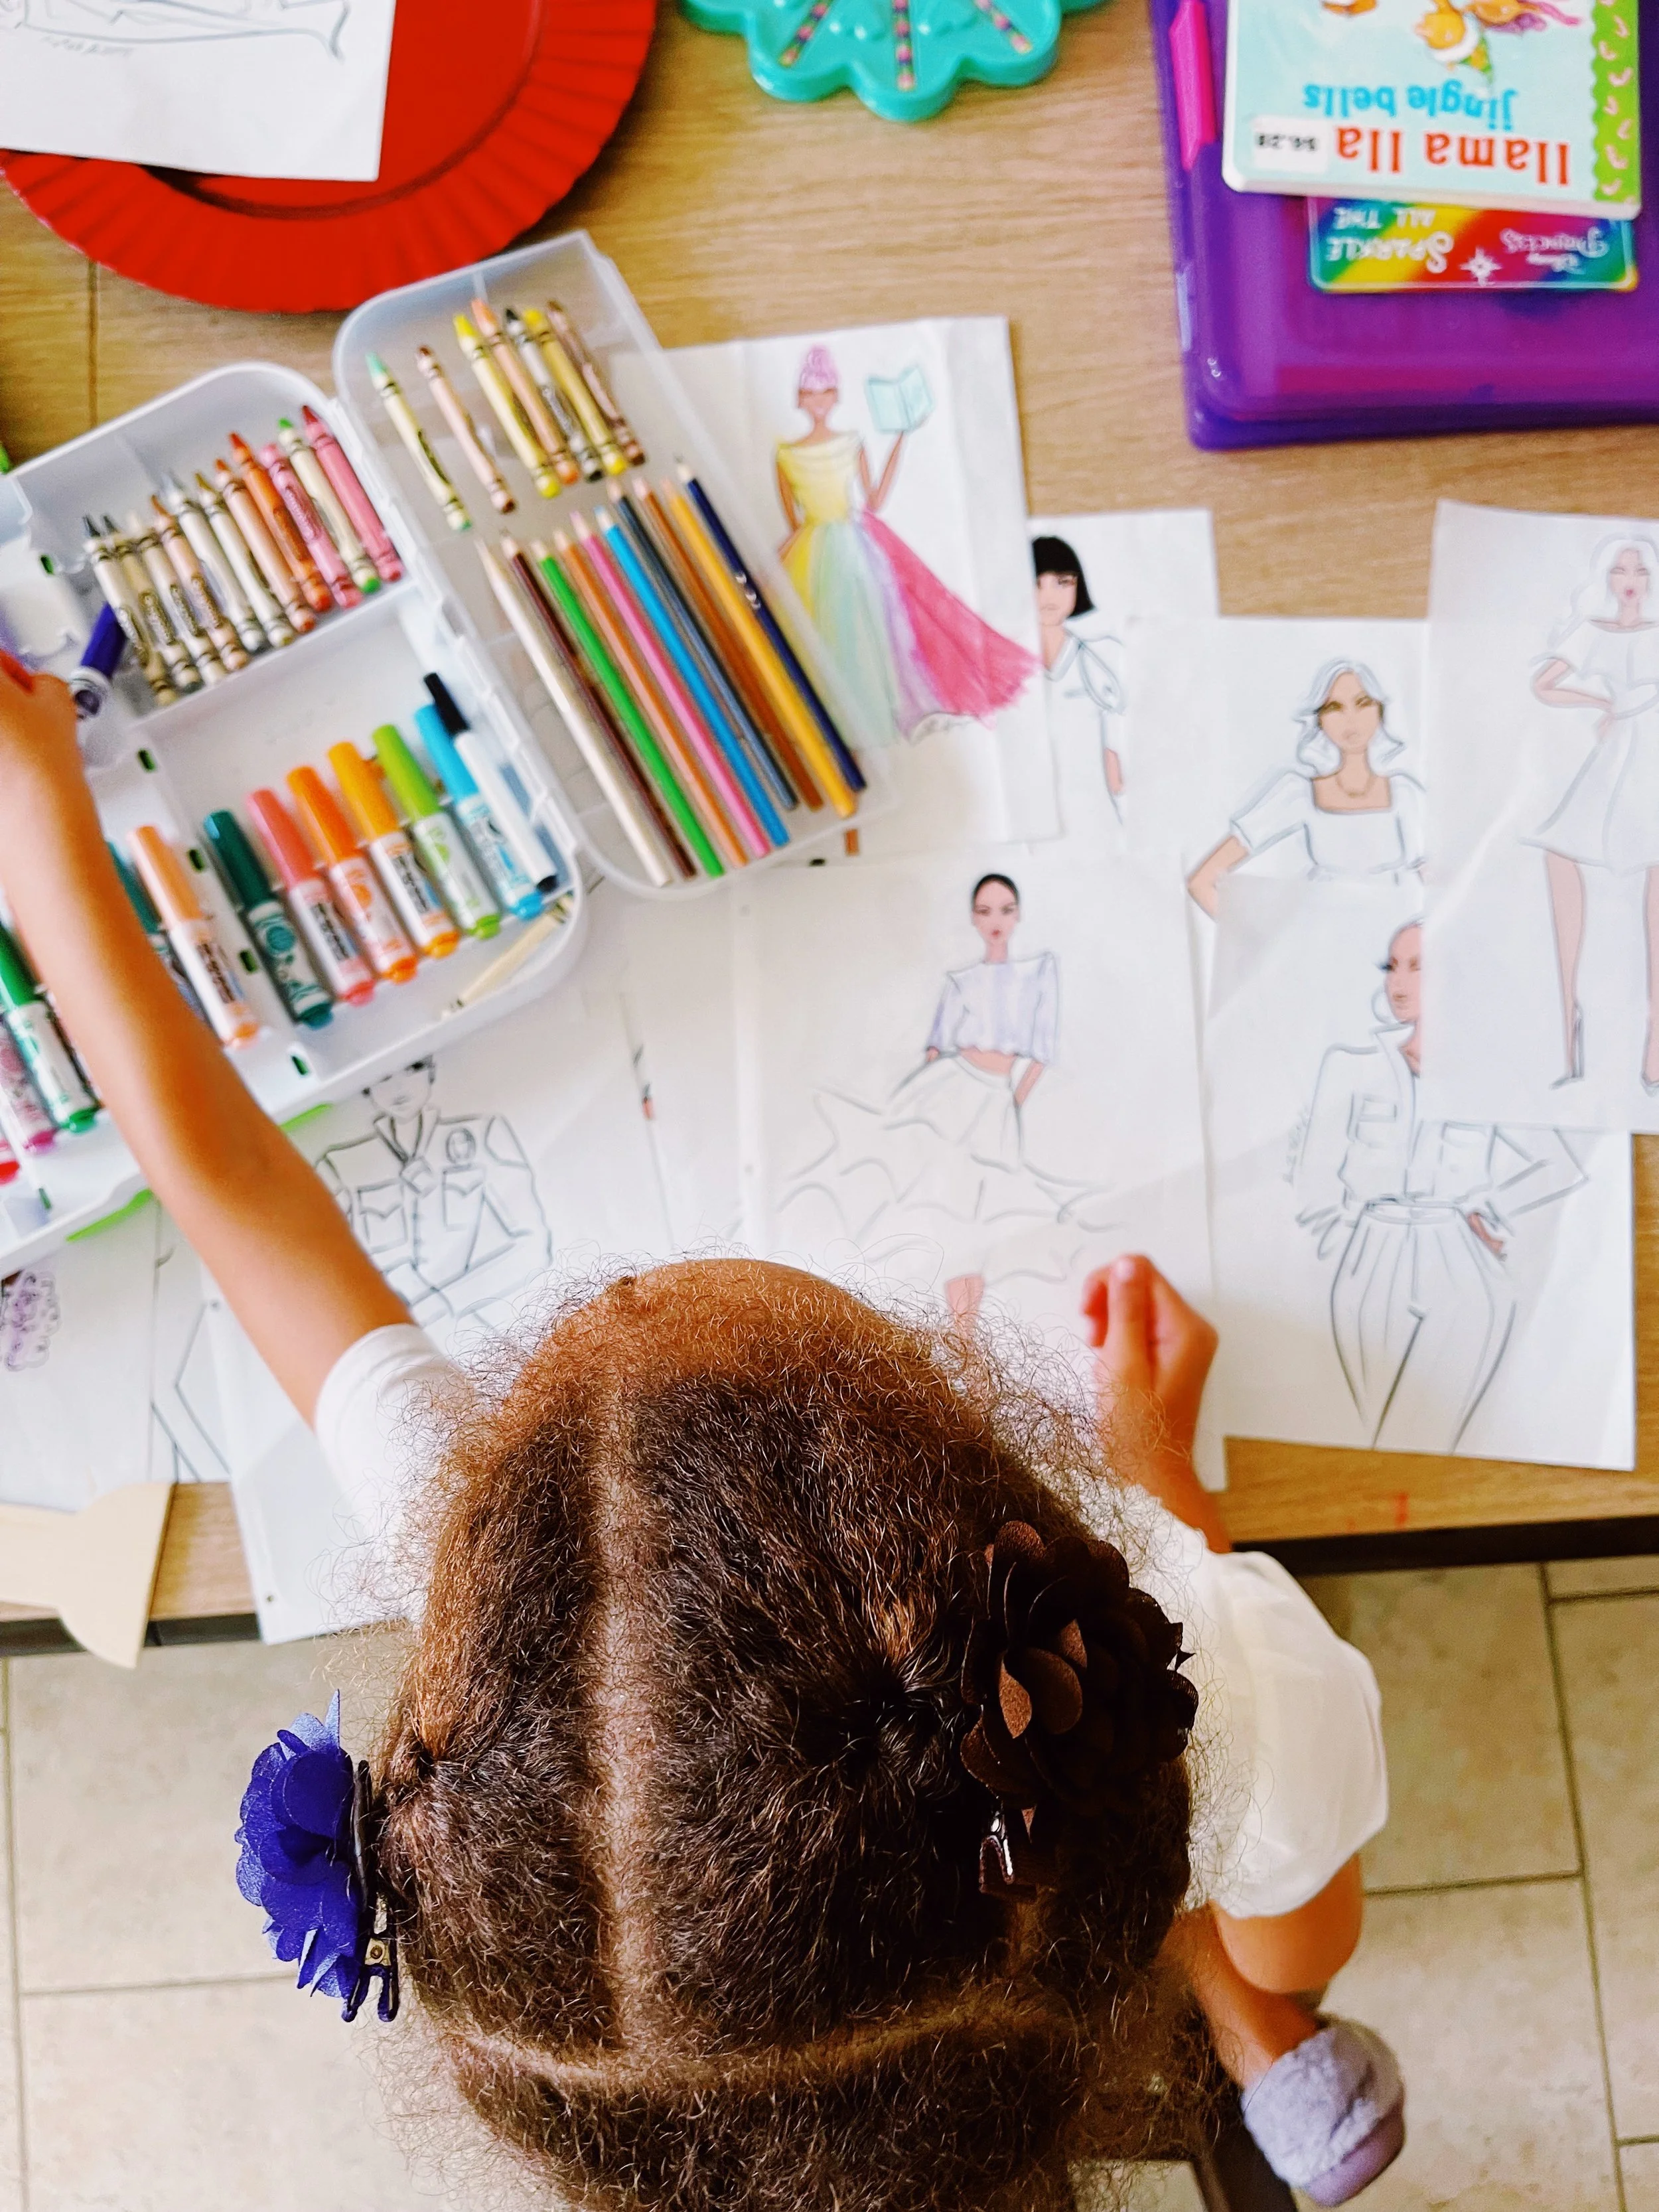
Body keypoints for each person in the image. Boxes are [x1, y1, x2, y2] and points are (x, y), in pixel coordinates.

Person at [0, 650, 1403, 2209]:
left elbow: (226, 1194)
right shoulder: (1241, 1674)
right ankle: (1229, 2012)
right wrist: (1165, 1504)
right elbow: (1304, 1929)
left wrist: (41, 832)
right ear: (1010, 1510)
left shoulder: (539, 1677)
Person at [1296, 922, 1585, 1452]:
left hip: (1455, 1253)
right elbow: (1316, 1171)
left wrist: (1489, 1213)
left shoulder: (1491, 1072)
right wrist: (1343, 1238)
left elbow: (1558, 1165)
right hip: (1371, 1250)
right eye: (1392, 966)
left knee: (1429, 1431)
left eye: (1417, 964)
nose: (1398, 981)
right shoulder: (1352, 1066)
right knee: (1369, 1431)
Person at [775, 344, 1037, 746]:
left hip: (844, 543)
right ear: (800, 399)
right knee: (819, 635)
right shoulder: (786, 454)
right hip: (821, 543)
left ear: (836, 396)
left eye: (825, 392)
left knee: (866, 631)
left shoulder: (849, 443)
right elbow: (792, 520)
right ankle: (831, 723)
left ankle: (858, 722)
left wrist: (900, 439)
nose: (819, 401)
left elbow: (874, 499)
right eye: (811, 394)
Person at [1529, 536, 1659, 1088]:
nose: (1630, 578)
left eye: (1640, 568)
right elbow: (1543, 685)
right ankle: (1563, 1031)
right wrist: (1604, 704)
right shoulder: (1596, 634)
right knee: (1561, 855)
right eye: (1620, 568)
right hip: (1621, 747)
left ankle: (1656, 1041)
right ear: (1606, 578)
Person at [1187, 662, 1425, 919]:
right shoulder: (1298, 792)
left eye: (1363, 703)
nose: (1351, 719)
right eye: (1335, 708)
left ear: (1379, 710)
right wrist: (1255, 945)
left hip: (1389, 943)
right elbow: (1202, 882)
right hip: (1320, 942)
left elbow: (1446, 887)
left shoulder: (1404, 793)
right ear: (1319, 720)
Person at [1031, 534, 1127, 838]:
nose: (1049, 595)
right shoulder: (1009, 667)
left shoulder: (1094, 660)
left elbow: (1115, 737)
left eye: (1062, 582)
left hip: (1091, 807)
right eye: (1037, 583)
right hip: (1035, 811)